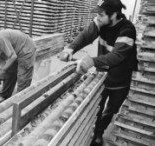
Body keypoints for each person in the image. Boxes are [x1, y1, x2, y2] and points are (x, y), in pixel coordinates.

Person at [59, 0, 138, 145]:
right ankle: (94, 131)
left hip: (120, 79)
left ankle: (100, 133)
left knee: (111, 108)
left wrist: (92, 61)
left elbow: (116, 56)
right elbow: (86, 35)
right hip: (102, 75)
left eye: (101, 14)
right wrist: (71, 48)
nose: (98, 17)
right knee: (98, 105)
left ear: (114, 15)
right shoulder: (101, 22)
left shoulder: (127, 31)